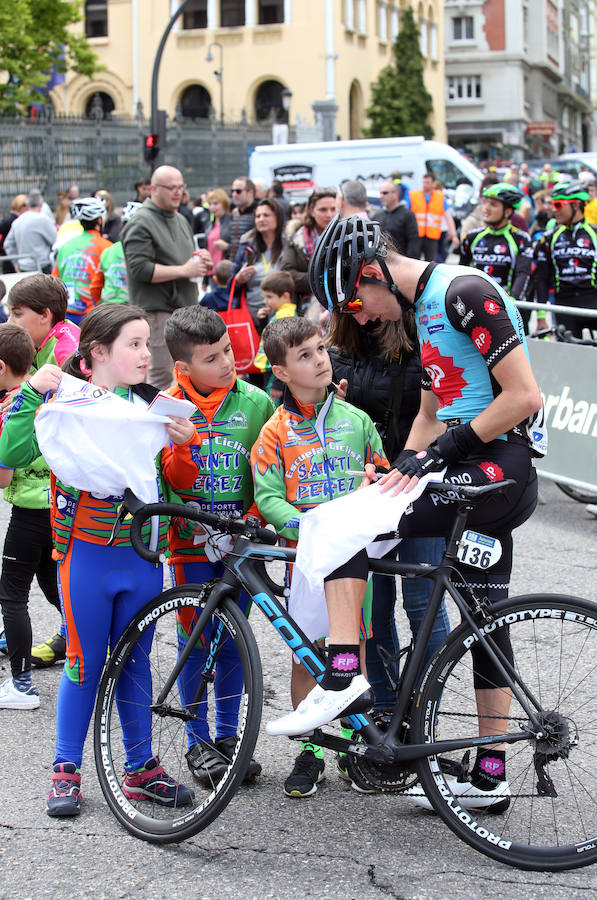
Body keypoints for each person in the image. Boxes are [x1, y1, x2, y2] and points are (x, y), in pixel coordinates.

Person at [267, 214, 543, 813]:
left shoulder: (464, 293)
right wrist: (399, 470)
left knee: (343, 525)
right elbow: (428, 413)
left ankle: (341, 675)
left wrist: (441, 454)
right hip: (478, 467)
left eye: (355, 301)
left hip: (498, 465)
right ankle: (490, 773)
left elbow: (523, 396)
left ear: (374, 273)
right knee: (484, 619)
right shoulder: (423, 314)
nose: (358, 317)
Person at [0, 303, 200, 817]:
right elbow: (11, 453)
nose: (144, 353)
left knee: (135, 661)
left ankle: (140, 768)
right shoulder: (63, 401)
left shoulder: (155, 406)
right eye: (133, 344)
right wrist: (28, 394)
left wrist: (182, 447)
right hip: (83, 557)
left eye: (144, 343)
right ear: (96, 355)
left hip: (140, 557)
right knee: (83, 664)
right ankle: (66, 771)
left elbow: (180, 483)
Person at [251, 316, 387, 798]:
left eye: (321, 350)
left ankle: (351, 746)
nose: (319, 360)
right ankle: (309, 749)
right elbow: (268, 498)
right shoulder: (273, 431)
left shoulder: (358, 420)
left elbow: (385, 472)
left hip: (354, 560)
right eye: (304, 356)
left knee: (354, 653)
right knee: (306, 654)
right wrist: (308, 530)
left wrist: (374, 484)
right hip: (305, 560)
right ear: (281, 372)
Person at [163, 305, 273, 787]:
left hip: (240, 546)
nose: (228, 363)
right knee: (196, 640)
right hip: (189, 546)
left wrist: (252, 518)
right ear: (184, 369)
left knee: (232, 637)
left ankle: (228, 738)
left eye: (228, 350)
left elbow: (268, 474)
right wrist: (183, 447)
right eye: (213, 358)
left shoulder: (256, 402)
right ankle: (196, 740)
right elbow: (168, 481)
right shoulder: (166, 406)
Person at [325, 312, 449, 724]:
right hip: (366, 492)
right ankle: (382, 705)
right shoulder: (339, 348)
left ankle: (422, 706)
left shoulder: (424, 341)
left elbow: (442, 416)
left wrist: (407, 466)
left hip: (419, 485)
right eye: (348, 302)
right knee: (374, 607)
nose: (359, 310)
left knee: (422, 602)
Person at [3, 275, 80, 674]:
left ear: (45, 315)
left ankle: (20, 682)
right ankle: (74, 635)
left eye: (17, 313)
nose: (11, 320)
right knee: (51, 577)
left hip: (52, 491)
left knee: (16, 589)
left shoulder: (65, 347)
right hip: (42, 491)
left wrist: (24, 393)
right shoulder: (42, 343)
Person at [122, 165, 211, 389]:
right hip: (158, 313)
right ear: (153, 189)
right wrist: (185, 270)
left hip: (184, 311)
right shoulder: (141, 222)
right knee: (161, 378)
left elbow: (185, 259)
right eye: (171, 187)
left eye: (181, 187)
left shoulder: (180, 219)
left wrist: (201, 260)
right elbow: (139, 269)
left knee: (188, 376)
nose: (177, 192)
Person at [0, 324, 45, 705]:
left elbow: (3, 476)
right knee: (59, 593)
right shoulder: (51, 395)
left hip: (28, 513)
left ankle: (21, 685)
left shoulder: (10, 408)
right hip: (61, 511)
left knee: (12, 596)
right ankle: (104, 660)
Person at [459, 182, 533, 330]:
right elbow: (461, 271)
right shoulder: (472, 237)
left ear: (507, 212)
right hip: (478, 306)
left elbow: (523, 273)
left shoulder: (521, 238)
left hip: (508, 307)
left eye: (493, 204)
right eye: (485, 202)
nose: (486, 208)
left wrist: (510, 303)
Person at [533, 180, 597, 338]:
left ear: (576, 205)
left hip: (593, 302)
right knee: (568, 360)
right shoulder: (548, 238)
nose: (554, 210)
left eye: (558, 205)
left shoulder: (594, 233)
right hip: (564, 305)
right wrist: (541, 316)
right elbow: (542, 278)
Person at [52, 196, 111, 324]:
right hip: (95, 313)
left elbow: (55, 278)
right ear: (99, 220)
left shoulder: (65, 246)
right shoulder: (106, 246)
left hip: (67, 311)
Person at [229, 198, 286, 328]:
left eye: (266, 215)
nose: (261, 219)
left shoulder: (289, 245)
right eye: (258, 216)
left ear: (278, 217)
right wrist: (238, 279)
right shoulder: (246, 244)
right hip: (252, 317)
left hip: (283, 316)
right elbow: (230, 284)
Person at [279, 188, 337, 314]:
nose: (329, 214)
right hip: (305, 308)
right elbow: (287, 274)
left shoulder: (346, 235)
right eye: (323, 209)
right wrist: (322, 280)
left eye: (333, 209)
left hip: (340, 307)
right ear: (311, 211)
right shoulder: (297, 238)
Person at [253, 270, 297, 403]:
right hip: (274, 370)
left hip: (276, 372)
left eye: (269, 297)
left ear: (285, 296)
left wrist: (278, 382)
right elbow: (269, 337)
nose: (265, 301)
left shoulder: (284, 316)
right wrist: (263, 321)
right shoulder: (280, 314)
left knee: (274, 405)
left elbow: (283, 349)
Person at [88, 201, 143, 306]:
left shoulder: (108, 251)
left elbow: (95, 287)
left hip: (109, 308)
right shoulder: (148, 251)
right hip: (135, 308)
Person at [409, 173, 459, 261]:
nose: (425, 185)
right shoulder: (413, 195)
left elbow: (448, 217)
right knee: (413, 261)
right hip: (416, 235)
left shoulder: (440, 197)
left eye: (428, 183)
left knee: (431, 262)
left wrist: (454, 235)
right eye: (424, 182)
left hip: (432, 236)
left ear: (434, 183)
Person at [4, 189, 56, 273]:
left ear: (27, 204)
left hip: (24, 267)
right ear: (42, 204)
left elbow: (8, 244)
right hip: (42, 266)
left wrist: (15, 263)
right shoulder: (43, 220)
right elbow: (55, 241)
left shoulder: (18, 221)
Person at [372, 180, 420, 258]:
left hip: (401, 262)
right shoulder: (377, 216)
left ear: (396, 194)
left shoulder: (408, 215)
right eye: (380, 193)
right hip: (381, 262)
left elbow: (413, 243)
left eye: (385, 193)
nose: (381, 196)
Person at [204, 189, 232, 283]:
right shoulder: (209, 225)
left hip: (226, 272)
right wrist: (205, 279)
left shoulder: (232, 222)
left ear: (224, 204)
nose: (212, 207)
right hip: (212, 273)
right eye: (210, 204)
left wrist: (227, 247)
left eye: (216, 204)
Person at [228, 177, 257, 261]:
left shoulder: (258, 213)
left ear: (250, 192)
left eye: (238, 191)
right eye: (232, 191)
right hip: (234, 264)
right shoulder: (235, 213)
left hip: (250, 264)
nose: (234, 194)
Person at [0, 194, 28, 273]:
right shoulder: (12, 220)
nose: (28, 207)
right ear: (19, 206)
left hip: (12, 257)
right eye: (25, 205)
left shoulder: (14, 218)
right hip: (11, 258)